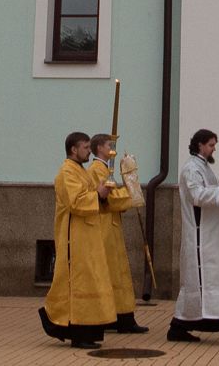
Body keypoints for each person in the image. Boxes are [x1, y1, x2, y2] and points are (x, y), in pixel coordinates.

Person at [171, 128, 219, 344]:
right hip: (200, 236)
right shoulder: (191, 169)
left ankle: (181, 327)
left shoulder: (203, 167)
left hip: (211, 234)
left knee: (211, 279)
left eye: (214, 145)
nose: (214, 148)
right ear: (200, 145)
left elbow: (210, 190)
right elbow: (198, 196)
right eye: (211, 145)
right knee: (208, 279)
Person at [40, 130, 115, 347]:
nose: (88, 151)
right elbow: (75, 202)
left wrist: (104, 194)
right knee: (78, 284)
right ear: (73, 149)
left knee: (91, 282)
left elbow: (91, 194)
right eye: (85, 147)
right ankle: (76, 332)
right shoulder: (66, 172)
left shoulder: (80, 171)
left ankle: (89, 330)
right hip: (75, 238)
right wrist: (98, 194)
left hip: (88, 236)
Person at [89, 133, 145, 334]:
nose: (113, 148)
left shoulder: (105, 168)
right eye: (109, 145)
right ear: (99, 149)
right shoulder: (97, 169)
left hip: (112, 225)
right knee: (113, 273)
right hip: (104, 226)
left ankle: (122, 316)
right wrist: (131, 189)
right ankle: (117, 316)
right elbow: (109, 198)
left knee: (119, 273)